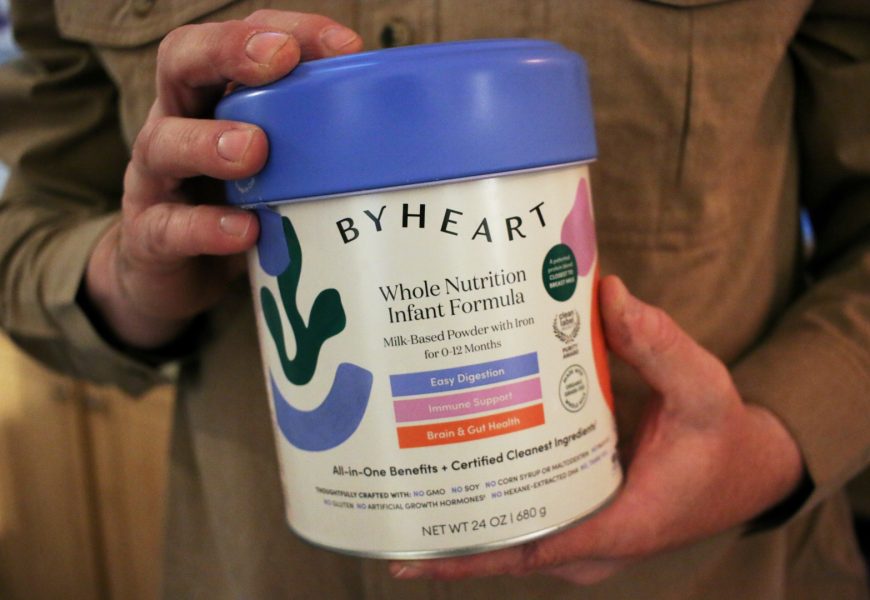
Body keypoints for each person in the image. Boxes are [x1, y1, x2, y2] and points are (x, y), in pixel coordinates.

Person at [1, 1, 868, 598]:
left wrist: (769, 447)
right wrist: (127, 276)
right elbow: (29, 231)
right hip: (263, 560)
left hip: (707, 574)